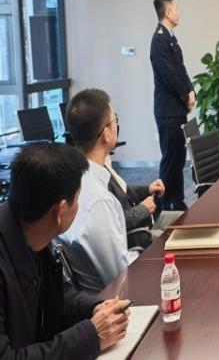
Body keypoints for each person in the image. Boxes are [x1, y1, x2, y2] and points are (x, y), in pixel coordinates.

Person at [0, 143, 131, 358]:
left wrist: (95, 308)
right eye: (77, 199)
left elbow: (59, 294)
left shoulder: (32, 230)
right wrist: (92, 336)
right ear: (60, 211)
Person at [58, 89, 139, 293]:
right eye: (115, 120)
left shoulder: (71, 177)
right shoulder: (98, 201)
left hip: (90, 297)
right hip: (111, 300)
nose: (117, 125)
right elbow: (121, 277)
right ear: (106, 134)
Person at [150, 0, 194, 211]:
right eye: (175, 8)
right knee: (170, 160)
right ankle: (162, 206)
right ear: (167, 13)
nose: (178, 12)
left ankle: (177, 201)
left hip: (176, 110)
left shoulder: (170, 38)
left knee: (178, 158)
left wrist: (191, 90)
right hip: (168, 111)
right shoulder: (159, 41)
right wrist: (185, 96)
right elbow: (169, 76)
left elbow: (180, 69)